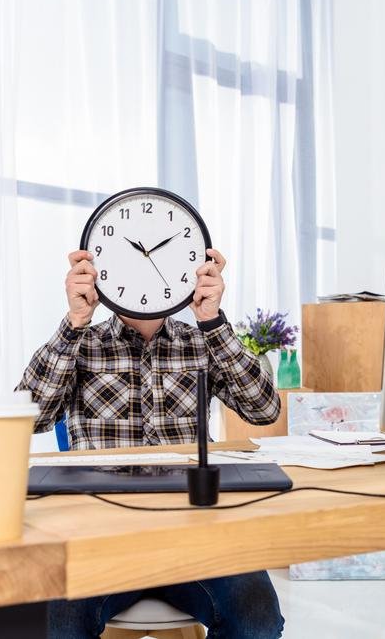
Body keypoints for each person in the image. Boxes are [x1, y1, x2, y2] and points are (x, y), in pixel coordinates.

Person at [18, 247, 285, 639]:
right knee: (53, 622)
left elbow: (264, 409)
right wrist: (75, 321)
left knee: (257, 618)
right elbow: (27, 417)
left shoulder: (202, 341)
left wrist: (212, 322)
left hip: (195, 532)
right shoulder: (82, 343)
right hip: (99, 534)